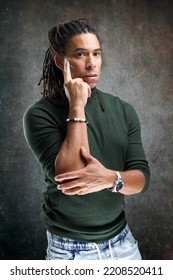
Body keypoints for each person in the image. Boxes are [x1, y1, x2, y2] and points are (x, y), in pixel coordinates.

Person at [23, 18, 150, 260]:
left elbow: (142, 180)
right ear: (61, 61)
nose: (92, 64)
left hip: (123, 244)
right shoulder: (39, 114)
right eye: (81, 54)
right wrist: (77, 105)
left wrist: (110, 178)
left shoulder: (123, 110)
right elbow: (72, 178)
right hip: (69, 251)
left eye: (96, 54)